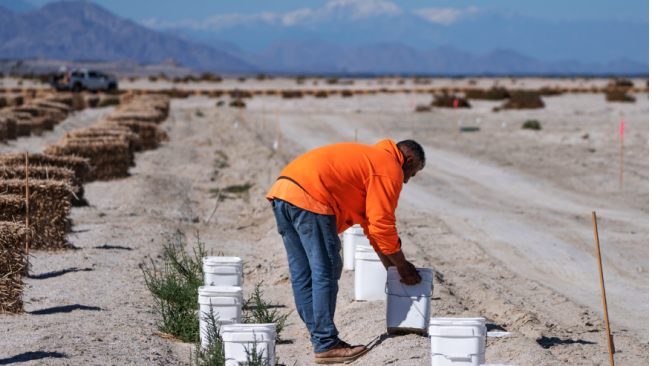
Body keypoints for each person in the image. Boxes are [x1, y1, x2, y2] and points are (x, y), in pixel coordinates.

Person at [266, 139, 425, 364]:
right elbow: (382, 223)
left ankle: (321, 340)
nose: (407, 180)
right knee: (326, 269)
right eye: (412, 173)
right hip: (311, 196)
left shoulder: (371, 159)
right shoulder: (389, 168)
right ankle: (326, 344)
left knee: (304, 273)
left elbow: (373, 229)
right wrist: (402, 264)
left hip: (283, 192)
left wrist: (392, 268)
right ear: (408, 161)